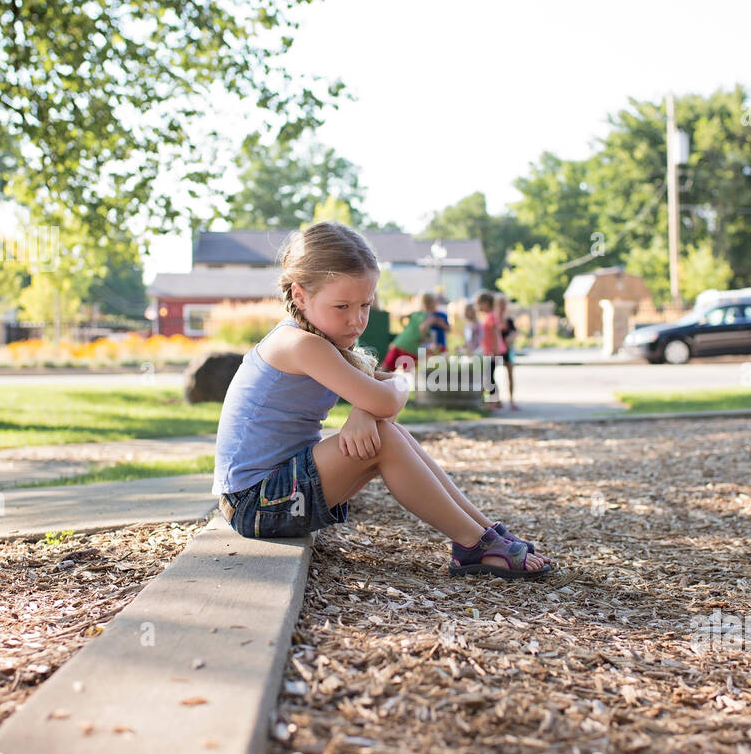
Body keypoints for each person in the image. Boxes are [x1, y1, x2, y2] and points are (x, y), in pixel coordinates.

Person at [212, 222, 552, 578]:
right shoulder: (300, 344)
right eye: (341, 306)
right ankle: (473, 544)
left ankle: (484, 532)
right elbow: (389, 399)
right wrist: (373, 406)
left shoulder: (321, 339)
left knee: (392, 433)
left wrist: (366, 409)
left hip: (278, 492)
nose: (356, 320)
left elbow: (393, 383)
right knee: (385, 437)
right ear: (299, 295)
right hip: (255, 502)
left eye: (365, 305)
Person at [475, 291, 506, 410]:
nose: (478, 307)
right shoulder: (488, 316)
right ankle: (495, 400)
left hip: (492, 351)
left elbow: (496, 334)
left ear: (487, 303)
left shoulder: (491, 317)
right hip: (488, 351)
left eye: (480, 304)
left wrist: (496, 350)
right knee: (489, 377)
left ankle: (493, 401)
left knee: (489, 378)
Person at [497, 296, 520, 411]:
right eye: (500, 304)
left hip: (507, 350)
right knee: (490, 375)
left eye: (503, 304)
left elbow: (515, 332)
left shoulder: (509, 320)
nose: (502, 307)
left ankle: (511, 400)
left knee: (510, 374)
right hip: (496, 350)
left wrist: (510, 338)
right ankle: (495, 399)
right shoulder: (494, 319)